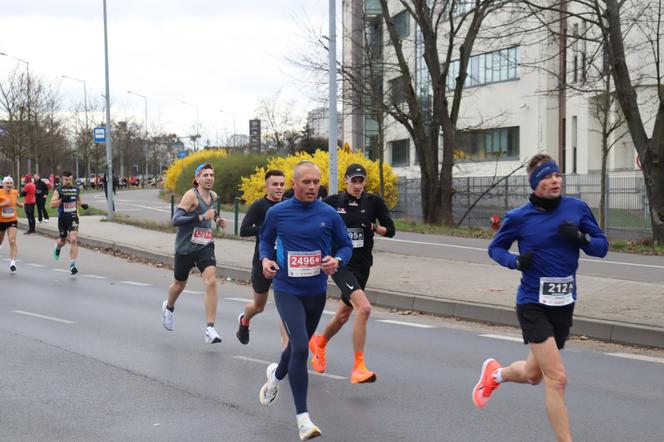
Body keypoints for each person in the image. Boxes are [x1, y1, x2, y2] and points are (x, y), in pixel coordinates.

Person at [472, 154, 608, 442]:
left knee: (534, 375)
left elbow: (602, 247)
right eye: (547, 176)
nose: (555, 180)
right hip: (532, 303)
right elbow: (495, 249)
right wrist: (515, 262)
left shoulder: (577, 208)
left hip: (563, 303)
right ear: (535, 183)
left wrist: (581, 239)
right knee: (556, 380)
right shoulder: (519, 217)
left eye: (557, 174)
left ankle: (495, 375)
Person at [258, 161, 352, 441]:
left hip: (316, 291)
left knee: (297, 350)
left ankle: (274, 378)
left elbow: (345, 245)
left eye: (316, 182)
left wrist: (337, 260)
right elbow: (265, 240)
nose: (312, 187)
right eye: (306, 182)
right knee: (300, 346)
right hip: (287, 288)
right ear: (294, 184)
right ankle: (303, 420)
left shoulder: (329, 214)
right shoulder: (278, 212)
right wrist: (265, 260)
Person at [309, 163, 395, 384]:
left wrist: (374, 228)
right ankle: (359, 366)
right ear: (346, 180)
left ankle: (319, 343)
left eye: (361, 181)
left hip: (363, 265)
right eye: (353, 181)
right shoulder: (333, 202)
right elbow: (312, 217)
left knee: (343, 316)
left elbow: (391, 231)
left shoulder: (373, 202)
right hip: (340, 264)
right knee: (364, 308)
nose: (357, 185)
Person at [161, 163, 228, 344]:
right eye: (205, 175)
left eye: (212, 175)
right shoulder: (191, 196)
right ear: (197, 178)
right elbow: (175, 220)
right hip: (185, 248)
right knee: (179, 285)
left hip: (205, 245)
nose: (209, 178)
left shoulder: (213, 195)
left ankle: (210, 328)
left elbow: (211, 212)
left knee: (211, 281)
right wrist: (200, 217)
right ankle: (169, 307)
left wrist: (218, 219)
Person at [237, 169, 288, 345]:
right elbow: (243, 230)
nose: (279, 188)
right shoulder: (260, 206)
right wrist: (267, 230)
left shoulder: (289, 204)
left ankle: (286, 353)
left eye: (282, 184)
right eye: (275, 184)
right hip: (263, 262)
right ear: (267, 186)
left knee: (286, 310)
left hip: (284, 262)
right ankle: (244, 320)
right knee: (259, 306)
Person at [50, 171, 88, 275]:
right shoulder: (59, 190)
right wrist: (61, 201)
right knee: (62, 241)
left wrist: (83, 204)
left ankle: (73, 265)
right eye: (66, 180)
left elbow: (79, 200)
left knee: (73, 239)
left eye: (70, 179)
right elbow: (52, 204)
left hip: (73, 218)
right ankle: (57, 248)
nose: (68, 181)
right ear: (62, 179)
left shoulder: (76, 189)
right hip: (63, 219)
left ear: (72, 179)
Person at [0, 176, 22, 272]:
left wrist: (19, 204)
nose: (9, 185)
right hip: (1, 221)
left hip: (12, 220)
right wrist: (3, 204)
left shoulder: (15, 192)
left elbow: (15, 201)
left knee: (12, 241)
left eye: (10, 183)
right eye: (7, 183)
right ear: (3, 184)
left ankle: (13, 263)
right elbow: (6, 203)